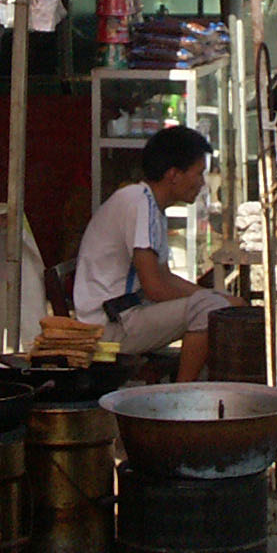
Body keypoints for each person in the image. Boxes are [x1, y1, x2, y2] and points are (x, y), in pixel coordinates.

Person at [72, 126, 226, 377]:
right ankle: (182, 395)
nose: (201, 183)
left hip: (123, 316)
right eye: (198, 174)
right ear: (174, 175)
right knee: (207, 312)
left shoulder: (149, 203)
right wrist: (213, 302)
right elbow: (155, 287)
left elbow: (164, 277)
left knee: (212, 305)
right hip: (108, 327)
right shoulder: (138, 202)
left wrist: (217, 297)